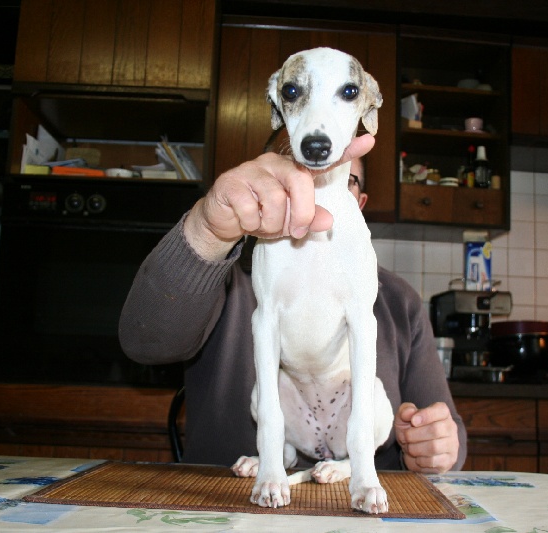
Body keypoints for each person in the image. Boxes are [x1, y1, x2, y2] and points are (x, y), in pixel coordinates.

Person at [119, 133, 467, 473]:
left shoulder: (398, 301)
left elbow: (449, 436)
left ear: (359, 203)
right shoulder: (222, 280)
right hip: (230, 511)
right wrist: (207, 231)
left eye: (340, 178)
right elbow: (143, 342)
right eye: (298, 174)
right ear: (261, 190)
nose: (314, 194)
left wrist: (434, 446)